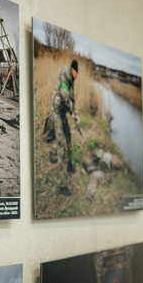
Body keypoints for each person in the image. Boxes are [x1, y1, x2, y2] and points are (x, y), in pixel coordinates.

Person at [49, 59, 79, 196]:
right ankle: (61, 185)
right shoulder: (66, 73)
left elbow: (72, 100)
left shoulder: (72, 80)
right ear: (74, 70)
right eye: (77, 73)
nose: (77, 76)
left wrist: (75, 114)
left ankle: (70, 165)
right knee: (61, 144)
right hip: (57, 112)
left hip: (63, 112)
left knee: (69, 138)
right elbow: (64, 95)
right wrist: (71, 111)